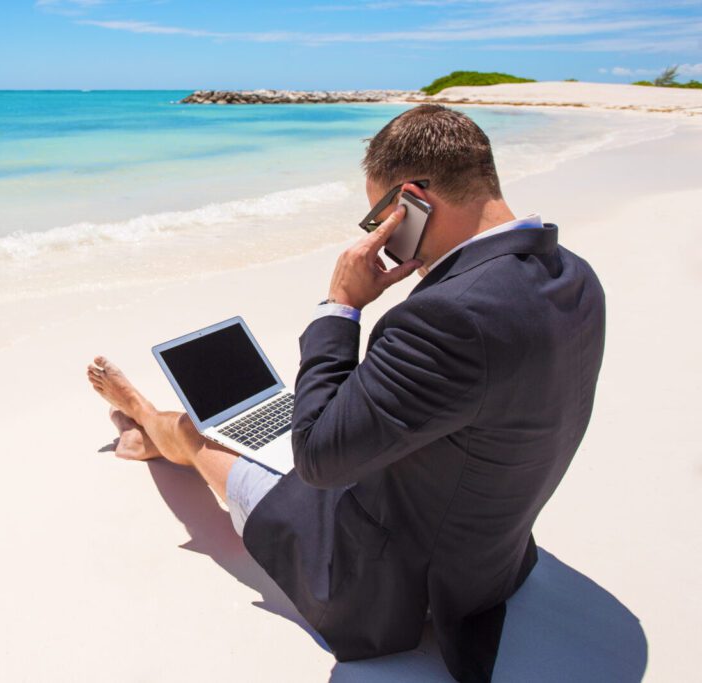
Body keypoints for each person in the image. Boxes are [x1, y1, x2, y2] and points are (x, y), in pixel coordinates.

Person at [85, 104, 605, 683]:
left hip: (384, 581)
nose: (380, 236)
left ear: (412, 201)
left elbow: (315, 460)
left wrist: (341, 305)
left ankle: (147, 422)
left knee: (200, 437)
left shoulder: (450, 316)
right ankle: (159, 427)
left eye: (379, 217)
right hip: (491, 555)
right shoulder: (573, 275)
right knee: (278, 426)